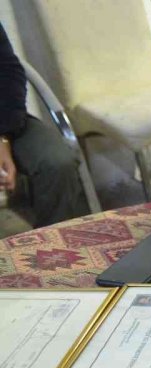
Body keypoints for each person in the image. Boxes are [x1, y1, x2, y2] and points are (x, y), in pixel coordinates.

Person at [0, 23, 90, 227]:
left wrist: (3, 137)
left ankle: (55, 250)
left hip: (6, 122)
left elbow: (8, 71)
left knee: (57, 163)